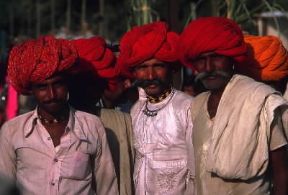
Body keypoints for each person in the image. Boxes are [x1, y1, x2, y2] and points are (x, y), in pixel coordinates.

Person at [179, 16, 288, 195]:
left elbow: (281, 172)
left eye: (216, 57)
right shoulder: (197, 105)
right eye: (201, 59)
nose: (208, 67)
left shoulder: (260, 100)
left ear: (231, 58)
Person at [0, 35, 118, 195]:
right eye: (42, 87)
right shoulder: (12, 131)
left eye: (58, 84)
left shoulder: (92, 126)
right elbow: (5, 188)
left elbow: (107, 187)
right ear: (32, 90)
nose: (52, 94)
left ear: (67, 83)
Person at [117, 21, 195, 195]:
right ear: (134, 72)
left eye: (158, 66)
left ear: (170, 69)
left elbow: (196, 173)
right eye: (143, 68)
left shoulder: (187, 107)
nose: (150, 75)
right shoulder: (136, 110)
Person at [69, 36, 135, 195]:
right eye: (80, 83)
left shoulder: (120, 122)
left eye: (94, 84)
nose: (87, 90)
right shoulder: (51, 125)